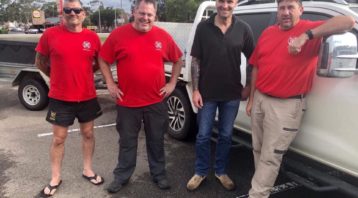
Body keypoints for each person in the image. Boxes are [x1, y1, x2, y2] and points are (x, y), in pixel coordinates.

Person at [245, 0, 355, 197]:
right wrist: (252, 99)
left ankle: (257, 194)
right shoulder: (268, 33)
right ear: (277, 11)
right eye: (282, 7)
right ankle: (261, 185)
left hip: (286, 107)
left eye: (291, 7)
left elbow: (348, 21)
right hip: (261, 100)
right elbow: (256, 66)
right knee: (258, 149)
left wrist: (306, 36)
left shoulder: (311, 29)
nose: (286, 12)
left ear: (301, 10)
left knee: (270, 157)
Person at [98, 0, 183, 194]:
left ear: (155, 16)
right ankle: (122, 176)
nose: (146, 18)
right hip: (127, 103)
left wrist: (172, 84)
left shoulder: (162, 36)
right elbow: (103, 58)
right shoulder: (119, 35)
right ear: (134, 12)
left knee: (156, 141)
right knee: (127, 142)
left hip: (155, 101)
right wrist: (110, 83)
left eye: (150, 15)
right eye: (142, 13)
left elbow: (178, 59)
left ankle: (159, 174)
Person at [35, 0, 104, 196]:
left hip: (87, 96)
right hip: (60, 98)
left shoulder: (92, 37)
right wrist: (55, 76)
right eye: (68, 10)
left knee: (88, 134)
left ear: (83, 14)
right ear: (62, 13)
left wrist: (87, 73)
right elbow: (39, 61)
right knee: (58, 139)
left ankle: (87, 169)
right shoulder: (50, 35)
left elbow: (100, 62)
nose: (73, 13)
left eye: (77, 10)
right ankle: (56, 177)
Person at [186, 0, 254, 191]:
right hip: (206, 94)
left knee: (225, 135)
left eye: (230, 1)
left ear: (236, 3)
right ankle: (200, 172)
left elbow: (253, 59)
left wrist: (249, 85)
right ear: (216, 2)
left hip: (232, 94)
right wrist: (196, 90)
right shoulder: (203, 27)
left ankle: (221, 171)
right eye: (221, 1)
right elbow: (196, 60)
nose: (225, 5)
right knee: (203, 135)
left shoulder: (243, 29)